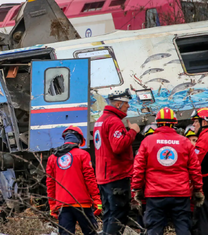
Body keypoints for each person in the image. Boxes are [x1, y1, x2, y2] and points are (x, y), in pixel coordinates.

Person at [132, 107, 204, 235]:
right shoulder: (184, 142)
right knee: (183, 228)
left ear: (157, 123)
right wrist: (198, 189)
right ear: (174, 123)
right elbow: (195, 168)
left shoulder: (147, 141)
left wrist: (137, 189)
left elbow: (138, 168)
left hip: (155, 195)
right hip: (180, 194)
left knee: (154, 229)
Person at [93, 88, 140, 235]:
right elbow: (118, 146)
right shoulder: (114, 122)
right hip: (116, 177)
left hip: (103, 177)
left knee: (109, 214)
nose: (128, 106)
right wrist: (133, 131)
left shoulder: (100, 121)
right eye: (126, 103)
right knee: (118, 215)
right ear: (118, 104)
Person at [46, 126, 101, 235]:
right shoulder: (83, 155)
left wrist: (52, 205)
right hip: (82, 204)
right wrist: (97, 200)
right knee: (90, 232)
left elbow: (50, 184)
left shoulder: (52, 158)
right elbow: (90, 180)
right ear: (79, 140)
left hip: (63, 205)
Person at [192, 108, 208, 234]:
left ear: (204, 122)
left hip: (206, 182)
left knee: (203, 217)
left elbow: (195, 163)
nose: (193, 124)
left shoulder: (205, 138)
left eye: (196, 121)